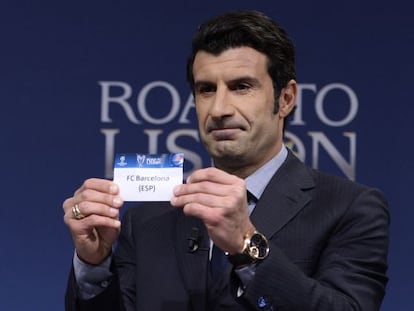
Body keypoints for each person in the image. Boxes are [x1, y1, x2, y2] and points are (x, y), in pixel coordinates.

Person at [63, 10, 389, 311]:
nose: (219, 109)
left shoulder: (349, 208)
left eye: (241, 86)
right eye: (206, 89)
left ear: (286, 99)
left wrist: (247, 246)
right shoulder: (147, 219)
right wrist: (94, 264)